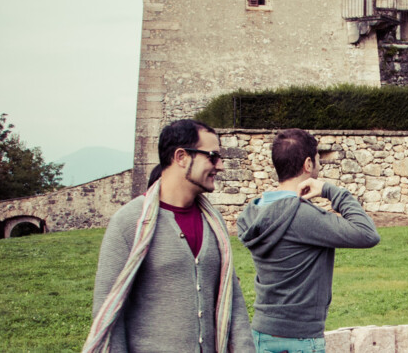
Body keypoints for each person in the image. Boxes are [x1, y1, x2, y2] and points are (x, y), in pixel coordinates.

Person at [85, 119, 254, 353]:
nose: (221, 166)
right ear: (181, 157)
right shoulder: (128, 222)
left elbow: (233, 303)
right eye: (213, 156)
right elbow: (109, 315)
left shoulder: (214, 223)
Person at [236, 128, 381, 352]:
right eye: (317, 159)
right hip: (300, 340)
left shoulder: (255, 212)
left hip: (261, 335)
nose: (319, 165)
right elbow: (367, 233)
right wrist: (330, 190)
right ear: (307, 164)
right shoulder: (303, 216)